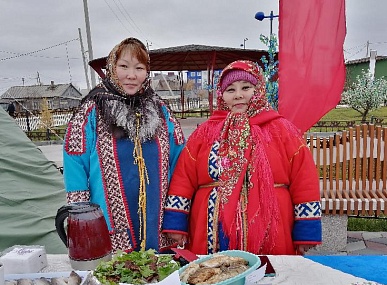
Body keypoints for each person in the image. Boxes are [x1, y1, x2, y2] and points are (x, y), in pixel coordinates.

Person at [163, 60, 322, 256]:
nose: (238, 95)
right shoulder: (205, 133)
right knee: (212, 277)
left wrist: (307, 230)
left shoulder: (282, 131)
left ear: (259, 90)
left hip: (273, 226)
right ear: (222, 95)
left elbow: (304, 179)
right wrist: (176, 222)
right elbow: (183, 177)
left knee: (269, 280)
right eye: (230, 90)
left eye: (246, 87)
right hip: (211, 228)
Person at [63, 37, 185, 253]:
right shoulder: (92, 111)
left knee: (157, 275)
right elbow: (75, 161)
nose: (131, 75)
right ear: (111, 67)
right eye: (123, 66)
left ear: (147, 72)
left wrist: (177, 214)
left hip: (157, 218)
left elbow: (180, 161)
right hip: (108, 220)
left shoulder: (160, 111)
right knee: (115, 277)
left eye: (139, 68)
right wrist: (82, 216)